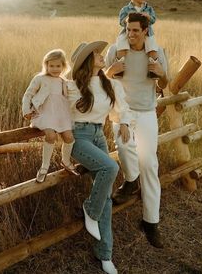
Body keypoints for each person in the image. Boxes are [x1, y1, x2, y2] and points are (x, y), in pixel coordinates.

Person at [67, 41, 131, 274]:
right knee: (110, 169)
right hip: (77, 137)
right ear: (86, 61)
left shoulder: (108, 83)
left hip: (97, 136)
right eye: (96, 54)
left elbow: (119, 109)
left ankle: (105, 254)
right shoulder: (71, 86)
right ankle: (90, 210)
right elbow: (47, 102)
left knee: (105, 198)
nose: (102, 55)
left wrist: (123, 122)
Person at [105, 12, 169, 249]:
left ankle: (151, 222)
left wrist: (162, 75)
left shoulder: (157, 52)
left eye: (135, 30)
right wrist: (110, 72)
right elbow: (102, 78)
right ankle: (131, 181)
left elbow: (165, 83)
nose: (130, 34)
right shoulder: (115, 51)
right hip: (122, 113)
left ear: (145, 31)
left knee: (149, 164)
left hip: (146, 112)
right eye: (127, 29)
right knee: (123, 146)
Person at [22, 49, 78, 183]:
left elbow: (72, 96)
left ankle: (65, 161)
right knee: (51, 135)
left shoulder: (63, 81)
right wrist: (26, 110)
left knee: (69, 137)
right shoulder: (40, 78)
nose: (54, 69)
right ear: (46, 65)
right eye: (51, 65)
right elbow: (28, 94)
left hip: (61, 114)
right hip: (44, 113)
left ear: (63, 66)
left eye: (58, 66)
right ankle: (44, 166)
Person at [115, 0, 159, 79]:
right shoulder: (125, 9)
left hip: (146, 33)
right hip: (128, 33)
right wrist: (127, 19)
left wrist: (148, 17)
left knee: (152, 48)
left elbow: (153, 20)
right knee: (121, 44)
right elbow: (121, 22)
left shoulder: (149, 9)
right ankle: (119, 69)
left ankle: (153, 70)